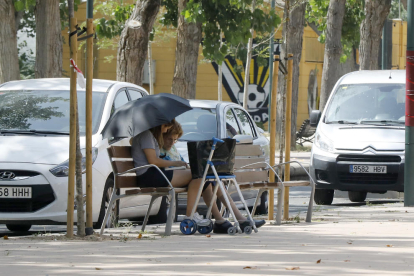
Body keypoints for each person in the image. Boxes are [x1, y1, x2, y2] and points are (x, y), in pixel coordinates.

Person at [159, 120, 265, 233]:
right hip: (175, 177)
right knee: (204, 178)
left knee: (214, 181)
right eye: (170, 139)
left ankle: (226, 219)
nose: (172, 142)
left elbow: (183, 163)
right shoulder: (160, 149)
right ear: (162, 136)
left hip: (185, 176)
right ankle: (234, 220)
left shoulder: (173, 149)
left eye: (175, 140)